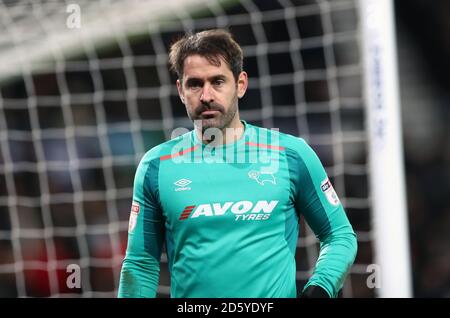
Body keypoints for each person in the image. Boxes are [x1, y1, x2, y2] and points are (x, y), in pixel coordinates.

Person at [118, 29, 357, 298]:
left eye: (217, 82)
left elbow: (339, 237)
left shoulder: (291, 154)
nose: (206, 95)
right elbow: (141, 264)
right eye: (195, 84)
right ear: (180, 90)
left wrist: (321, 286)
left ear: (240, 84)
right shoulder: (156, 166)